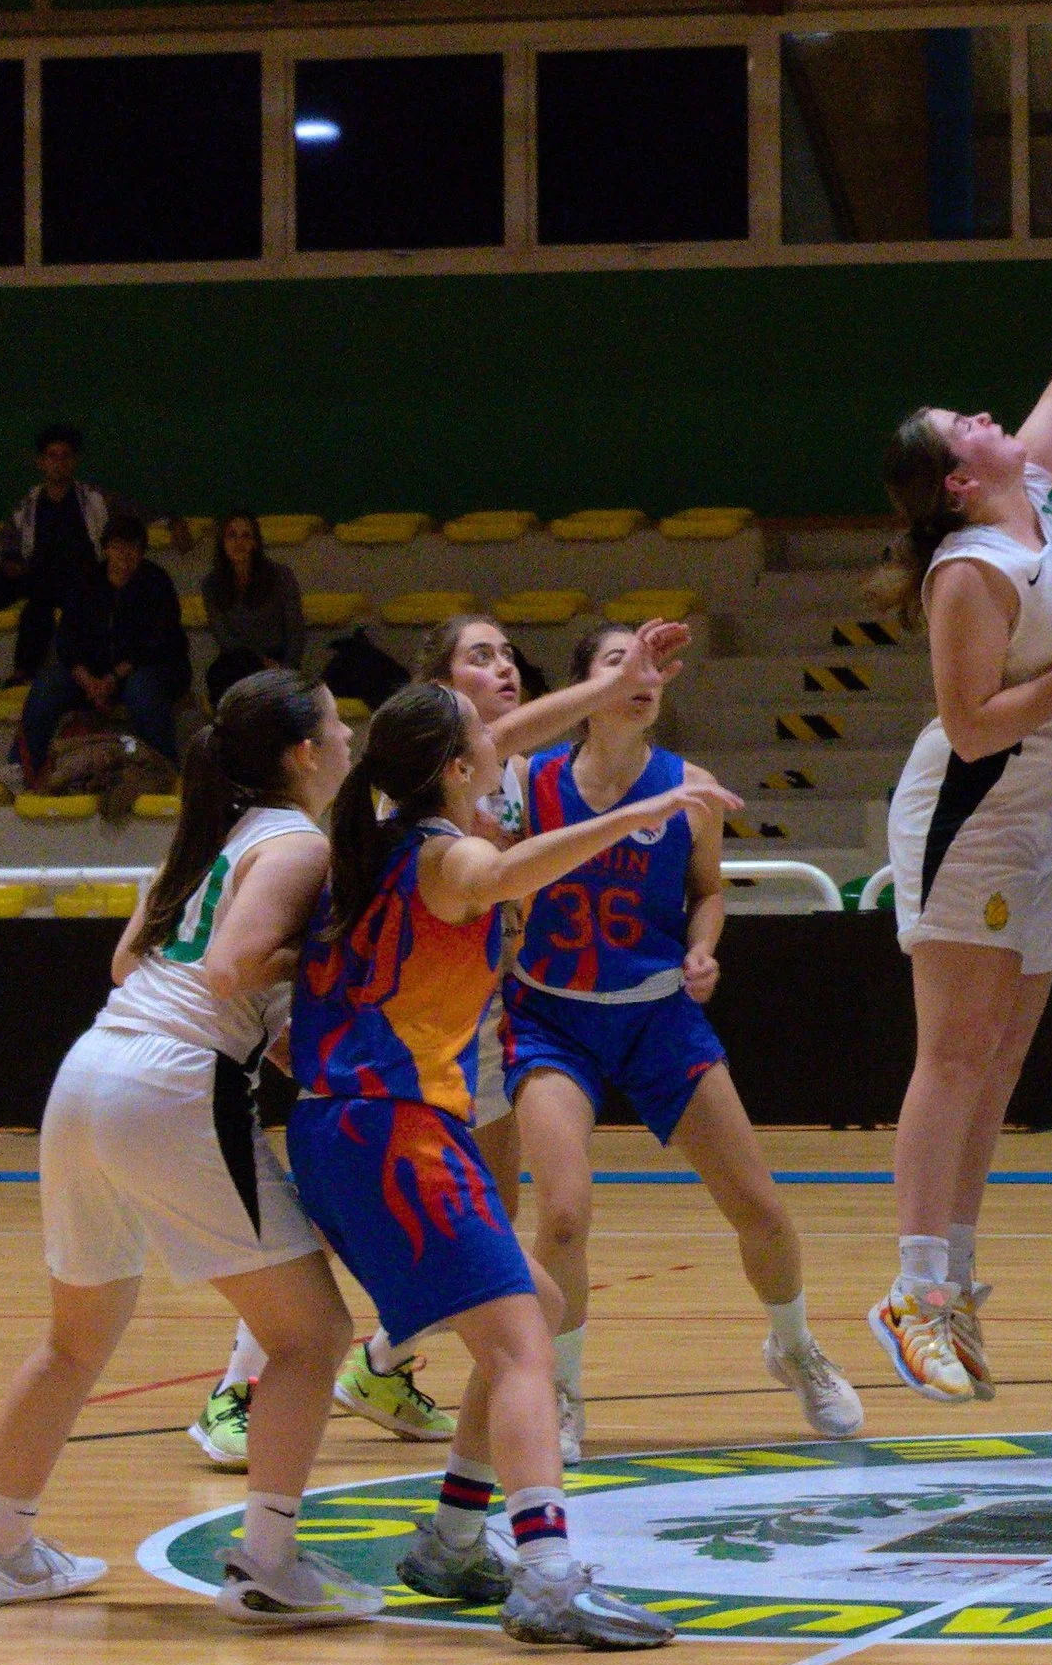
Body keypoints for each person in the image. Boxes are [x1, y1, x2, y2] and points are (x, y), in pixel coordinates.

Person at [189, 607, 696, 1464]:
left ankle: (394, 1377)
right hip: (398, 1043)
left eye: (507, 655)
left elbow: (517, 736)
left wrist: (609, 691)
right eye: (480, 656)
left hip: (463, 1019)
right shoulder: (413, 788)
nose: (503, 670)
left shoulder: (482, 775)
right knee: (440, 1242)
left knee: (476, 1235)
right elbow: (488, 852)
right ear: (438, 691)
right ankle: (249, 1387)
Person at [286, 679, 730, 1648]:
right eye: (477, 738)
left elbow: (485, 748)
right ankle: (549, 1576)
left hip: (342, 1129)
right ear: (454, 770)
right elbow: (501, 874)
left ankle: (451, 1537)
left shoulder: (376, 836)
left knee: (538, 1306)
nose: (497, 741)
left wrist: (603, 692)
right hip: (393, 1133)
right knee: (525, 1342)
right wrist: (636, 815)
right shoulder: (449, 856)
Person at [871, 146, 1052, 1402]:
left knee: (1000, 1064)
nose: (994, 417)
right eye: (969, 426)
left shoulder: (1037, 491)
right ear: (954, 474)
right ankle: (909, 1287)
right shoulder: (968, 571)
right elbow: (976, 721)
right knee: (953, 1054)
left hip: (1047, 814)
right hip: (975, 808)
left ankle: (958, 1277)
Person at [0, 669, 378, 1626]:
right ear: (303, 752)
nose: (347, 736)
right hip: (173, 1083)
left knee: (74, 1340)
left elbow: (133, 963)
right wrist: (341, 957)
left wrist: (270, 1005)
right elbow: (230, 966)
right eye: (335, 723)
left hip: (92, 1066)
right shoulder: (294, 844)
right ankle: (268, 1566)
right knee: (315, 1334)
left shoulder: (212, 836)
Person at [506, 621, 863, 1451]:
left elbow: (706, 891)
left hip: (659, 1013)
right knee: (561, 1218)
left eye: (655, 666)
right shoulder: (529, 785)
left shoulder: (691, 789)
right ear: (586, 688)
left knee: (761, 1211)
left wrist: (704, 947)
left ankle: (796, 1345)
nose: (643, 677)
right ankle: (562, 1389)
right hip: (551, 1016)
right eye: (618, 663)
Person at [20, 506, 188, 785]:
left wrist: (114, 676)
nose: (125, 556)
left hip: (150, 668)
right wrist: (88, 680)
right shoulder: (86, 582)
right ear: (106, 549)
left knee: (142, 691)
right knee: (46, 688)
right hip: (93, 673)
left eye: (133, 548)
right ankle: (25, 771)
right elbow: (67, 639)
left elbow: (158, 641)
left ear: (143, 551)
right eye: (118, 547)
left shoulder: (156, 583)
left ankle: (165, 773)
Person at [0, 423, 106, 680]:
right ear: (40, 462)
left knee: (38, 607)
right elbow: (11, 544)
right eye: (52, 456)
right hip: (37, 576)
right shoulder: (28, 505)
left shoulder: (93, 499)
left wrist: (172, 522)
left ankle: (24, 673)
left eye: (65, 456)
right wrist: (11, 562)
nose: (59, 463)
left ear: (75, 461)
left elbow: (134, 513)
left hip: (81, 578)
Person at [200, 511, 307, 707]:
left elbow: (296, 631)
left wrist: (286, 669)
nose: (238, 542)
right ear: (222, 543)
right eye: (232, 535)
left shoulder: (280, 576)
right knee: (220, 675)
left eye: (246, 536)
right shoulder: (211, 584)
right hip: (237, 662)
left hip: (277, 659)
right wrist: (258, 661)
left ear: (255, 543)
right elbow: (224, 638)